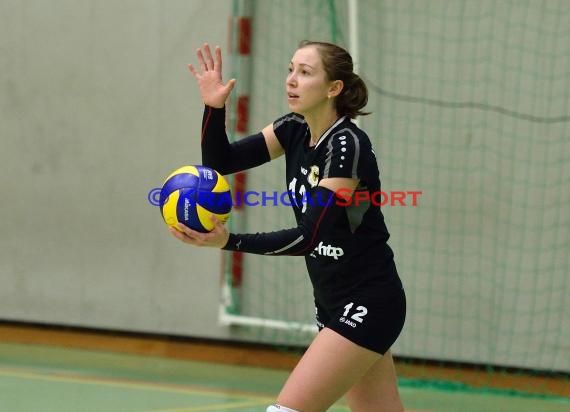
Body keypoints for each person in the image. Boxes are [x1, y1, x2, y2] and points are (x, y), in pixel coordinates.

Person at [170, 41, 406, 412]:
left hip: (368, 302)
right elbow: (220, 160)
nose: (291, 80)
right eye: (290, 69)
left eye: (305, 72)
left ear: (334, 88)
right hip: (331, 301)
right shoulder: (293, 129)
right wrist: (214, 107)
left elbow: (308, 237)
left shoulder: (346, 146)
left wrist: (228, 241)